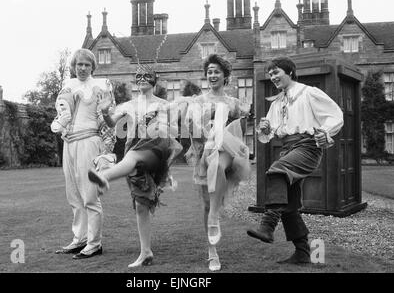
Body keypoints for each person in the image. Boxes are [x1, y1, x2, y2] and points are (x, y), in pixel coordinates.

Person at [246, 56, 344, 264]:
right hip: (289, 148)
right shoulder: (277, 102)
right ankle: (303, 253)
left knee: (276, 171)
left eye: (276, 72)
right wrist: (265, 129)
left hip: (308, 147)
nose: (272, 77)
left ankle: (267, 225)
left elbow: (335, 115)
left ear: (289, 72)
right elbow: (268, 134)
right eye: (270, 74)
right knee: (289, 206)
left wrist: (324, 132)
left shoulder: (309, 93)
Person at [87, 63, 182, 268]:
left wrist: (158, 124)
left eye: (146, 76)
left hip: (155, 149)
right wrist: (104, 111)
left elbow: (173, 131)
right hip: (133, 152)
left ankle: (105, 176)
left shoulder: (164, 105)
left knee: (131, 158)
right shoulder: (128, 105)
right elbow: (112, 123)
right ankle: (146, 252)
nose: (141, 80)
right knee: (140, 205)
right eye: (138, 77)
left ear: (154, 80)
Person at [183, 54, 251, 271]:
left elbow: (243, 130)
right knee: (206, 203)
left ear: (225, 76)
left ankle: (215, 217)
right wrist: (194, 126)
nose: (212, 75)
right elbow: (192, 132)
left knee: (219, 164)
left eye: (216, 71)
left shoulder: (234, 103)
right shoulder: (198, 102)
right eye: (209, 71)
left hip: (228, 153)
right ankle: (212, 252)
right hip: (205, 153)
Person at [51, 48, 116, 259]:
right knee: (74, 196)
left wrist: (106, 149)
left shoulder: (102, 85)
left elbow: (110, 120)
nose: (82, 68)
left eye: (87, 65)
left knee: (89, 195)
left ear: (92, 67)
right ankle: (79, 239)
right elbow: (62, 115)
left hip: (90, 141)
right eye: (79, 64)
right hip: (69, 143)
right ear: (74, 66)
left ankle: (94, 243)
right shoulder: (68, 85)